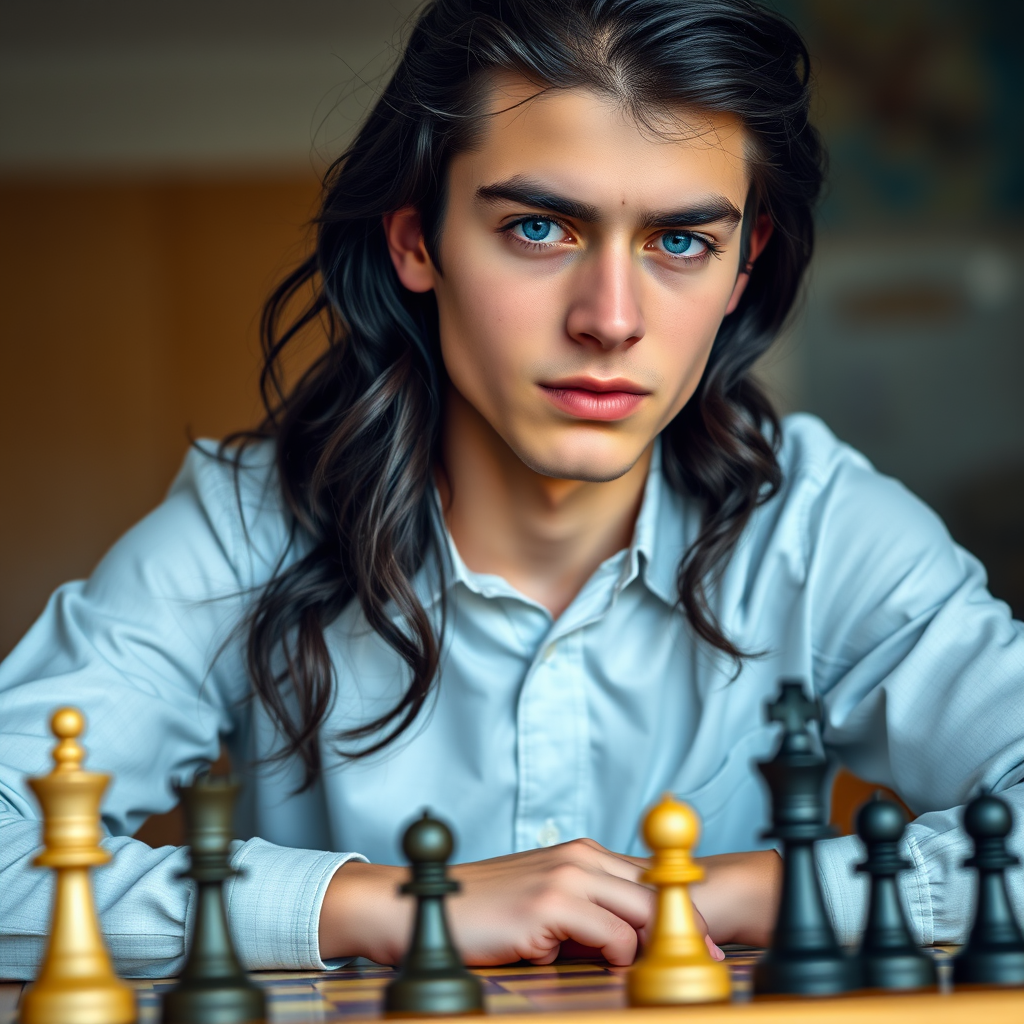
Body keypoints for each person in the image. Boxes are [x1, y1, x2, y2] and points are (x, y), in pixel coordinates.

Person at [1, 0, 1022, 982]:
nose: (610, 320)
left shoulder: (820, 527)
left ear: (743, 266)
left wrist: (720, 893)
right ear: (415, 242)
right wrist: (404, 906)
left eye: (680, 241)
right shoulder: (244, 530)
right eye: (540, 228)